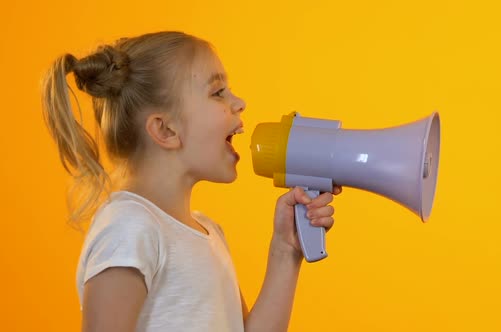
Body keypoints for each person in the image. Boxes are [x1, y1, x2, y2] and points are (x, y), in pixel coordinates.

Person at [41, 31, 340, 332]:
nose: (240, 103)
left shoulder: (207, 233)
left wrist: (285, 251)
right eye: (218, 91)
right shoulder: (130, 227)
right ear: (166, 130)